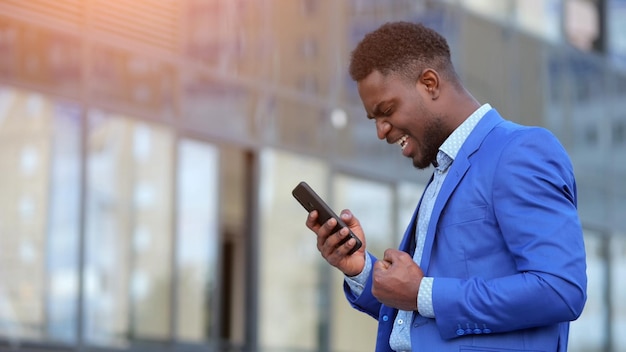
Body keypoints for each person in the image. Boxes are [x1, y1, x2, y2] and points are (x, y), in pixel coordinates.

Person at [304, 21, 587, 351]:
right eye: (374, 120)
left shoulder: (519, 152)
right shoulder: (444, 171)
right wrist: (361, 271)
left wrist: (424, 292)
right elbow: (421, 318)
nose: (381, 131)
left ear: (429, 83)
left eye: (387, 111)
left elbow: (559, 289)